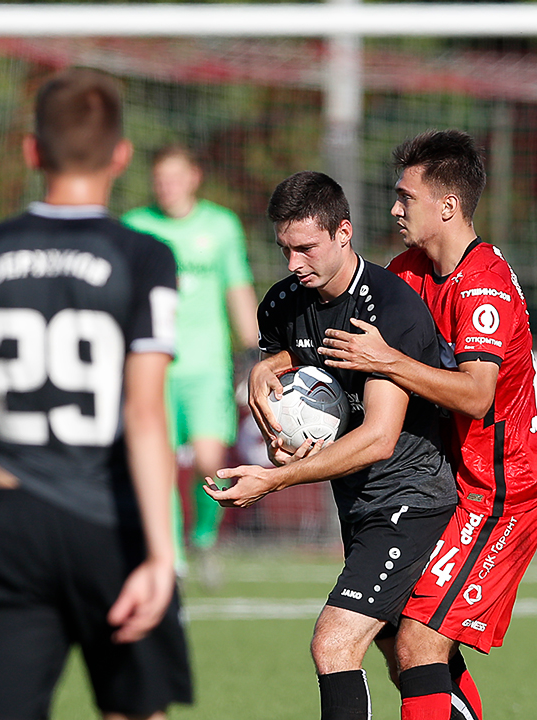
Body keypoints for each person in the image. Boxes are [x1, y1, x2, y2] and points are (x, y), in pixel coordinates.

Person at [0, 68, 191, 720]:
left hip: (14, 522)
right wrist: (165, 557)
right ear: (121, 155)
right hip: (111, 518)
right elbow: (144, 413)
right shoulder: (144, 255)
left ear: (32, 151)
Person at [205, 171, 457, 720]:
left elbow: (377, 438)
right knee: (411, 656)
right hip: (358, 502)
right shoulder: (282, 304)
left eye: (306, 247)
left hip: (411, 499)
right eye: (285, 249)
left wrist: (276, 479)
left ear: (344, 232)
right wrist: (273, 405)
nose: (293, 263)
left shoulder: (390, 310)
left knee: (334, 642)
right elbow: (302, 378)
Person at [319, 129, 537, 720]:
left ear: (447, 206)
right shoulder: (407, 270)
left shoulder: (483, 285)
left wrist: (387, 361)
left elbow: (474, 394)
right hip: (447, 483)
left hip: (500, 493)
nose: (393, 208)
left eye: (404, 197)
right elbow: (350, 331)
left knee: (419, 639)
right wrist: (279, 362)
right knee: (399, 640)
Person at [123, 145, 258, 581]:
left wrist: (258, 348)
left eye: (175, 177)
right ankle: (171, 558)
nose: (168, 187)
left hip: (208, 369)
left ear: (194, 177)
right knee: (157, 461)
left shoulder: (220, 226)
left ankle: (203, 537)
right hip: (152, 368)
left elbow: (236, 288)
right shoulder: (135, 227)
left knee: (209, 460)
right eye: (160, 179)